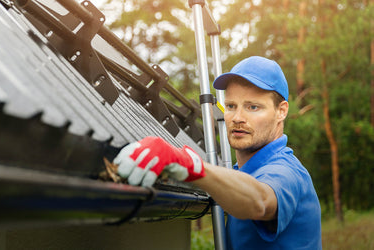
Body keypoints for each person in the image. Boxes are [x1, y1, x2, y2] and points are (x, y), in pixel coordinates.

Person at [114, 56, 322, 249]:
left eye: (253, 107)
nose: (237, 117)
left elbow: (260, 201)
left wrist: (191, 166)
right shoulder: (241, 173)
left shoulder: (287, 171)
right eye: (231, 106)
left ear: (281, 111)